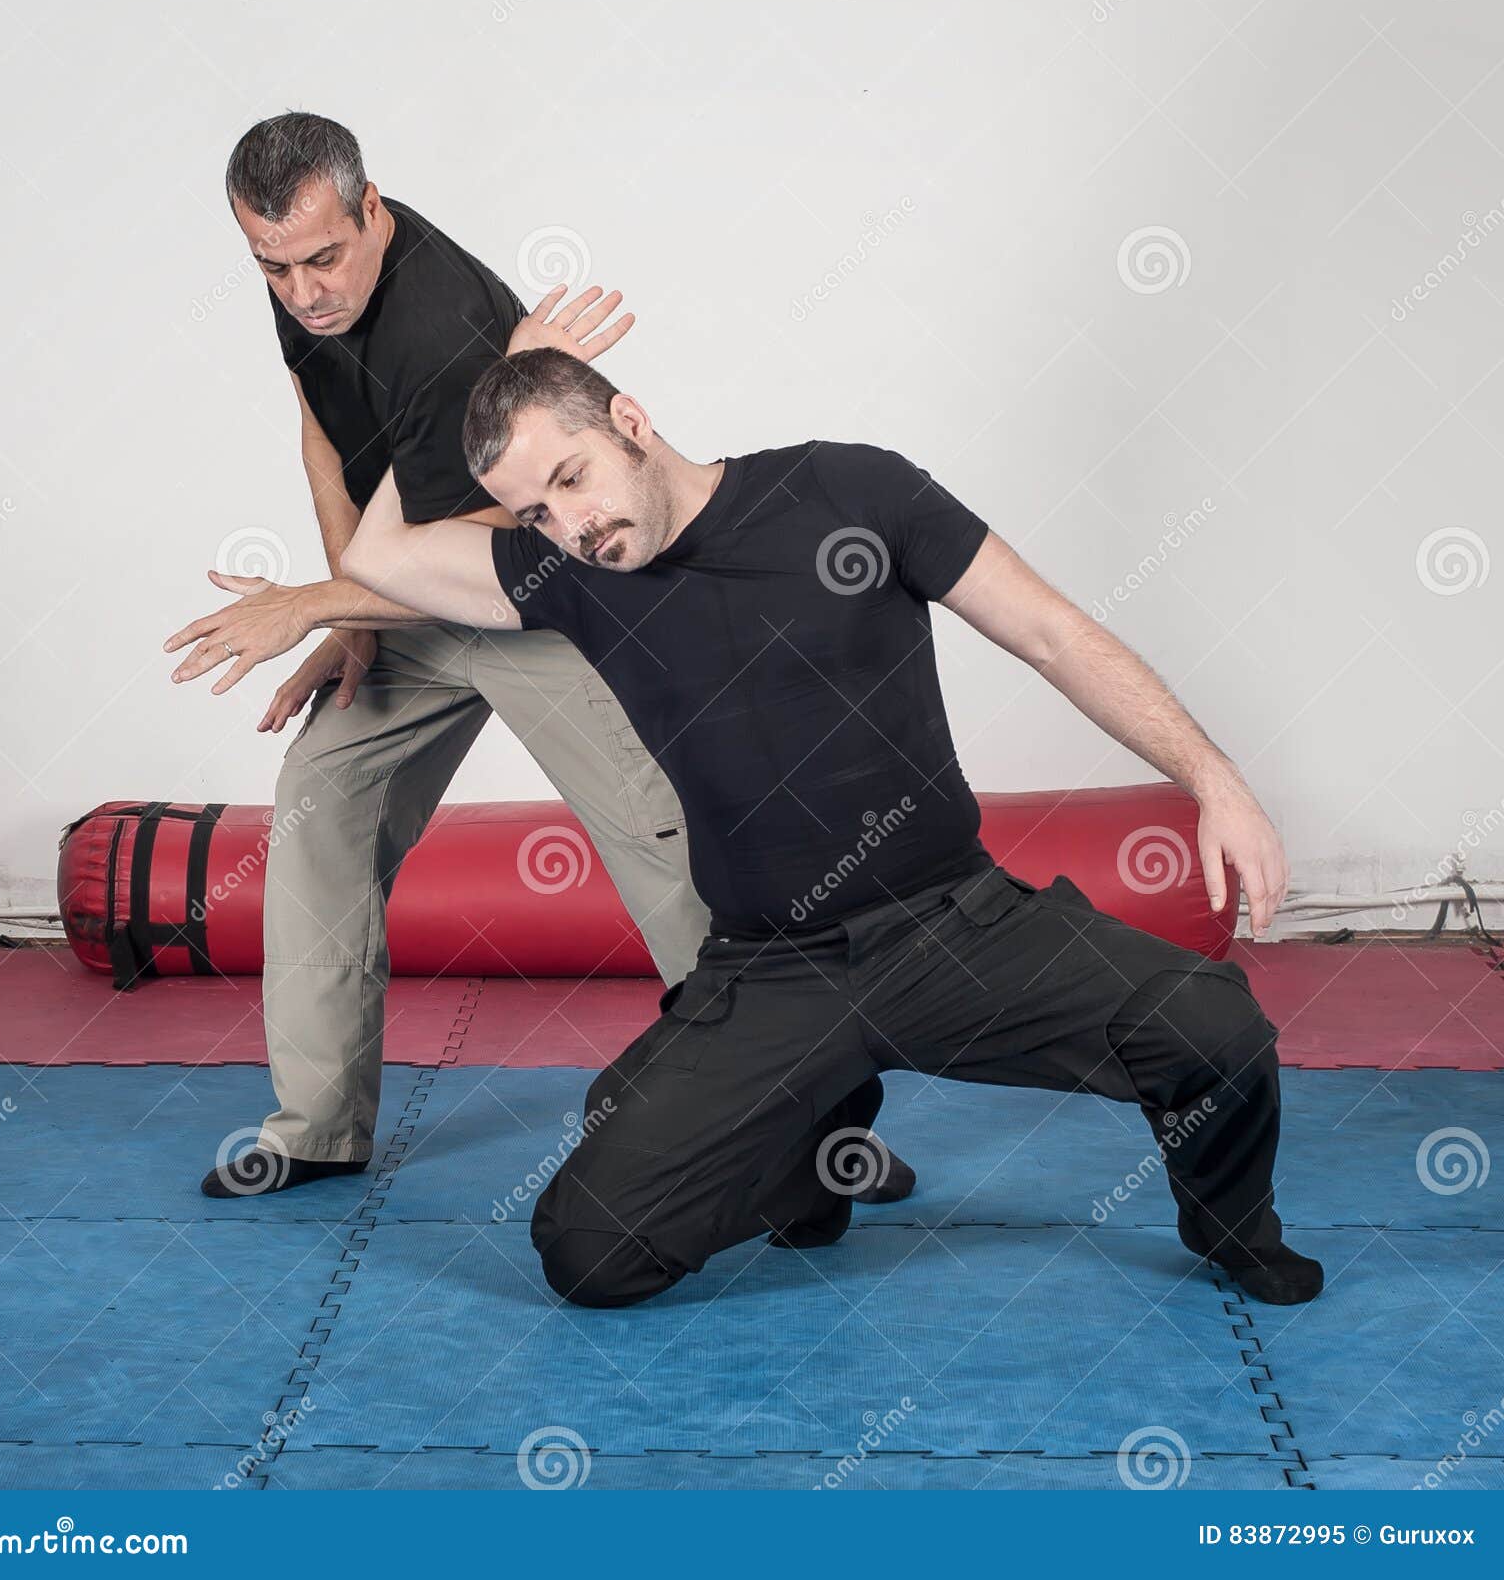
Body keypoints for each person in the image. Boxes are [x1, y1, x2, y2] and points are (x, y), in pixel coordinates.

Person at [167, 345, 1322, 1312]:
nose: (570, 523)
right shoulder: (569, 576)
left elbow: (1055, 635)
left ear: (630, 419)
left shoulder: (853, 493)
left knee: (1215, 1029)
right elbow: (374, 557)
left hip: (955, 925)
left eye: (573, 477)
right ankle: (813, 1129)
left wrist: (1209, 775)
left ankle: (1229, 1230)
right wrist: (489, 351)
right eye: (534, 509)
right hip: (772, 971)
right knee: (589, 1254)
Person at [177, 114, 911, 1208]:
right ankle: (317, 1123)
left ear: (371, 208)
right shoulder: (303, 280)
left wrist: (311, 604)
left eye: (323, 257)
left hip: (541, 597)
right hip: (412, 596)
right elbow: (322, 431)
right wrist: (350, 620)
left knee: (669, 841)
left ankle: (816, 1127)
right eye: (272, 266)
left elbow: (469, 529)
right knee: (319, 801)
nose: (303, 289)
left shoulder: (450, 324)